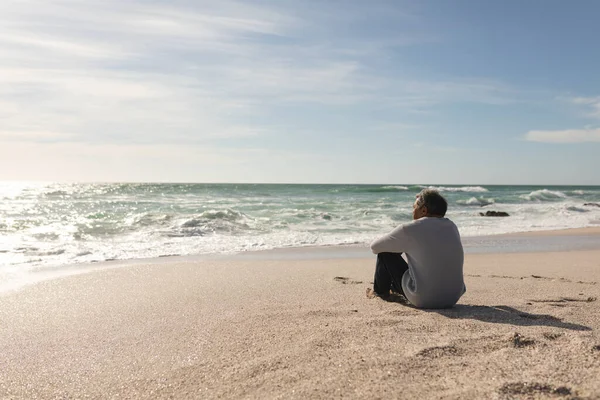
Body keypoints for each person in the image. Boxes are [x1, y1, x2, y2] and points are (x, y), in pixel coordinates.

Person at [369, 189, 465, 309]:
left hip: (424, 298)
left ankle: (380, 293)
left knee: (385, 253)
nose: (412, 211)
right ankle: (393, 288)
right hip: (453, 297)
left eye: (414, 207)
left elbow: (375, 247)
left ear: (424, 210)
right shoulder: (452, 227)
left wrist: (399, 246)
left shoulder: (409, 229)